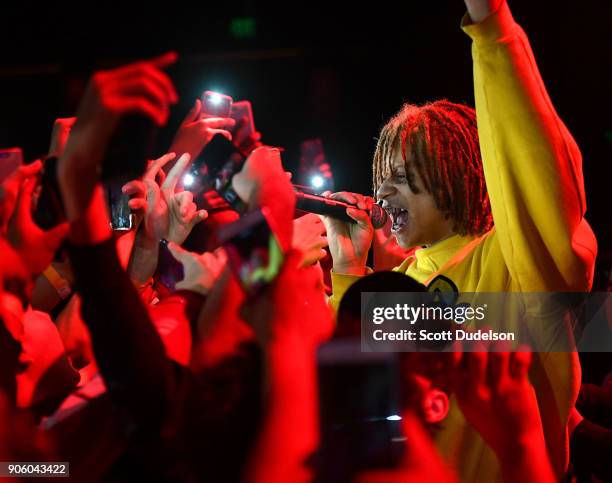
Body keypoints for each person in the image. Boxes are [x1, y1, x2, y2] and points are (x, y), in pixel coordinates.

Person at [322, 0, 597, 479]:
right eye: (381, 178)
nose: (382, 192)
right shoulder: (399, 283)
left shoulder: (514, 263)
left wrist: (493, 31)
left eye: (405, 177)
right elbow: (347, 394)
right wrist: (348, 270)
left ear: (459, 178)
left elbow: (532, 168)